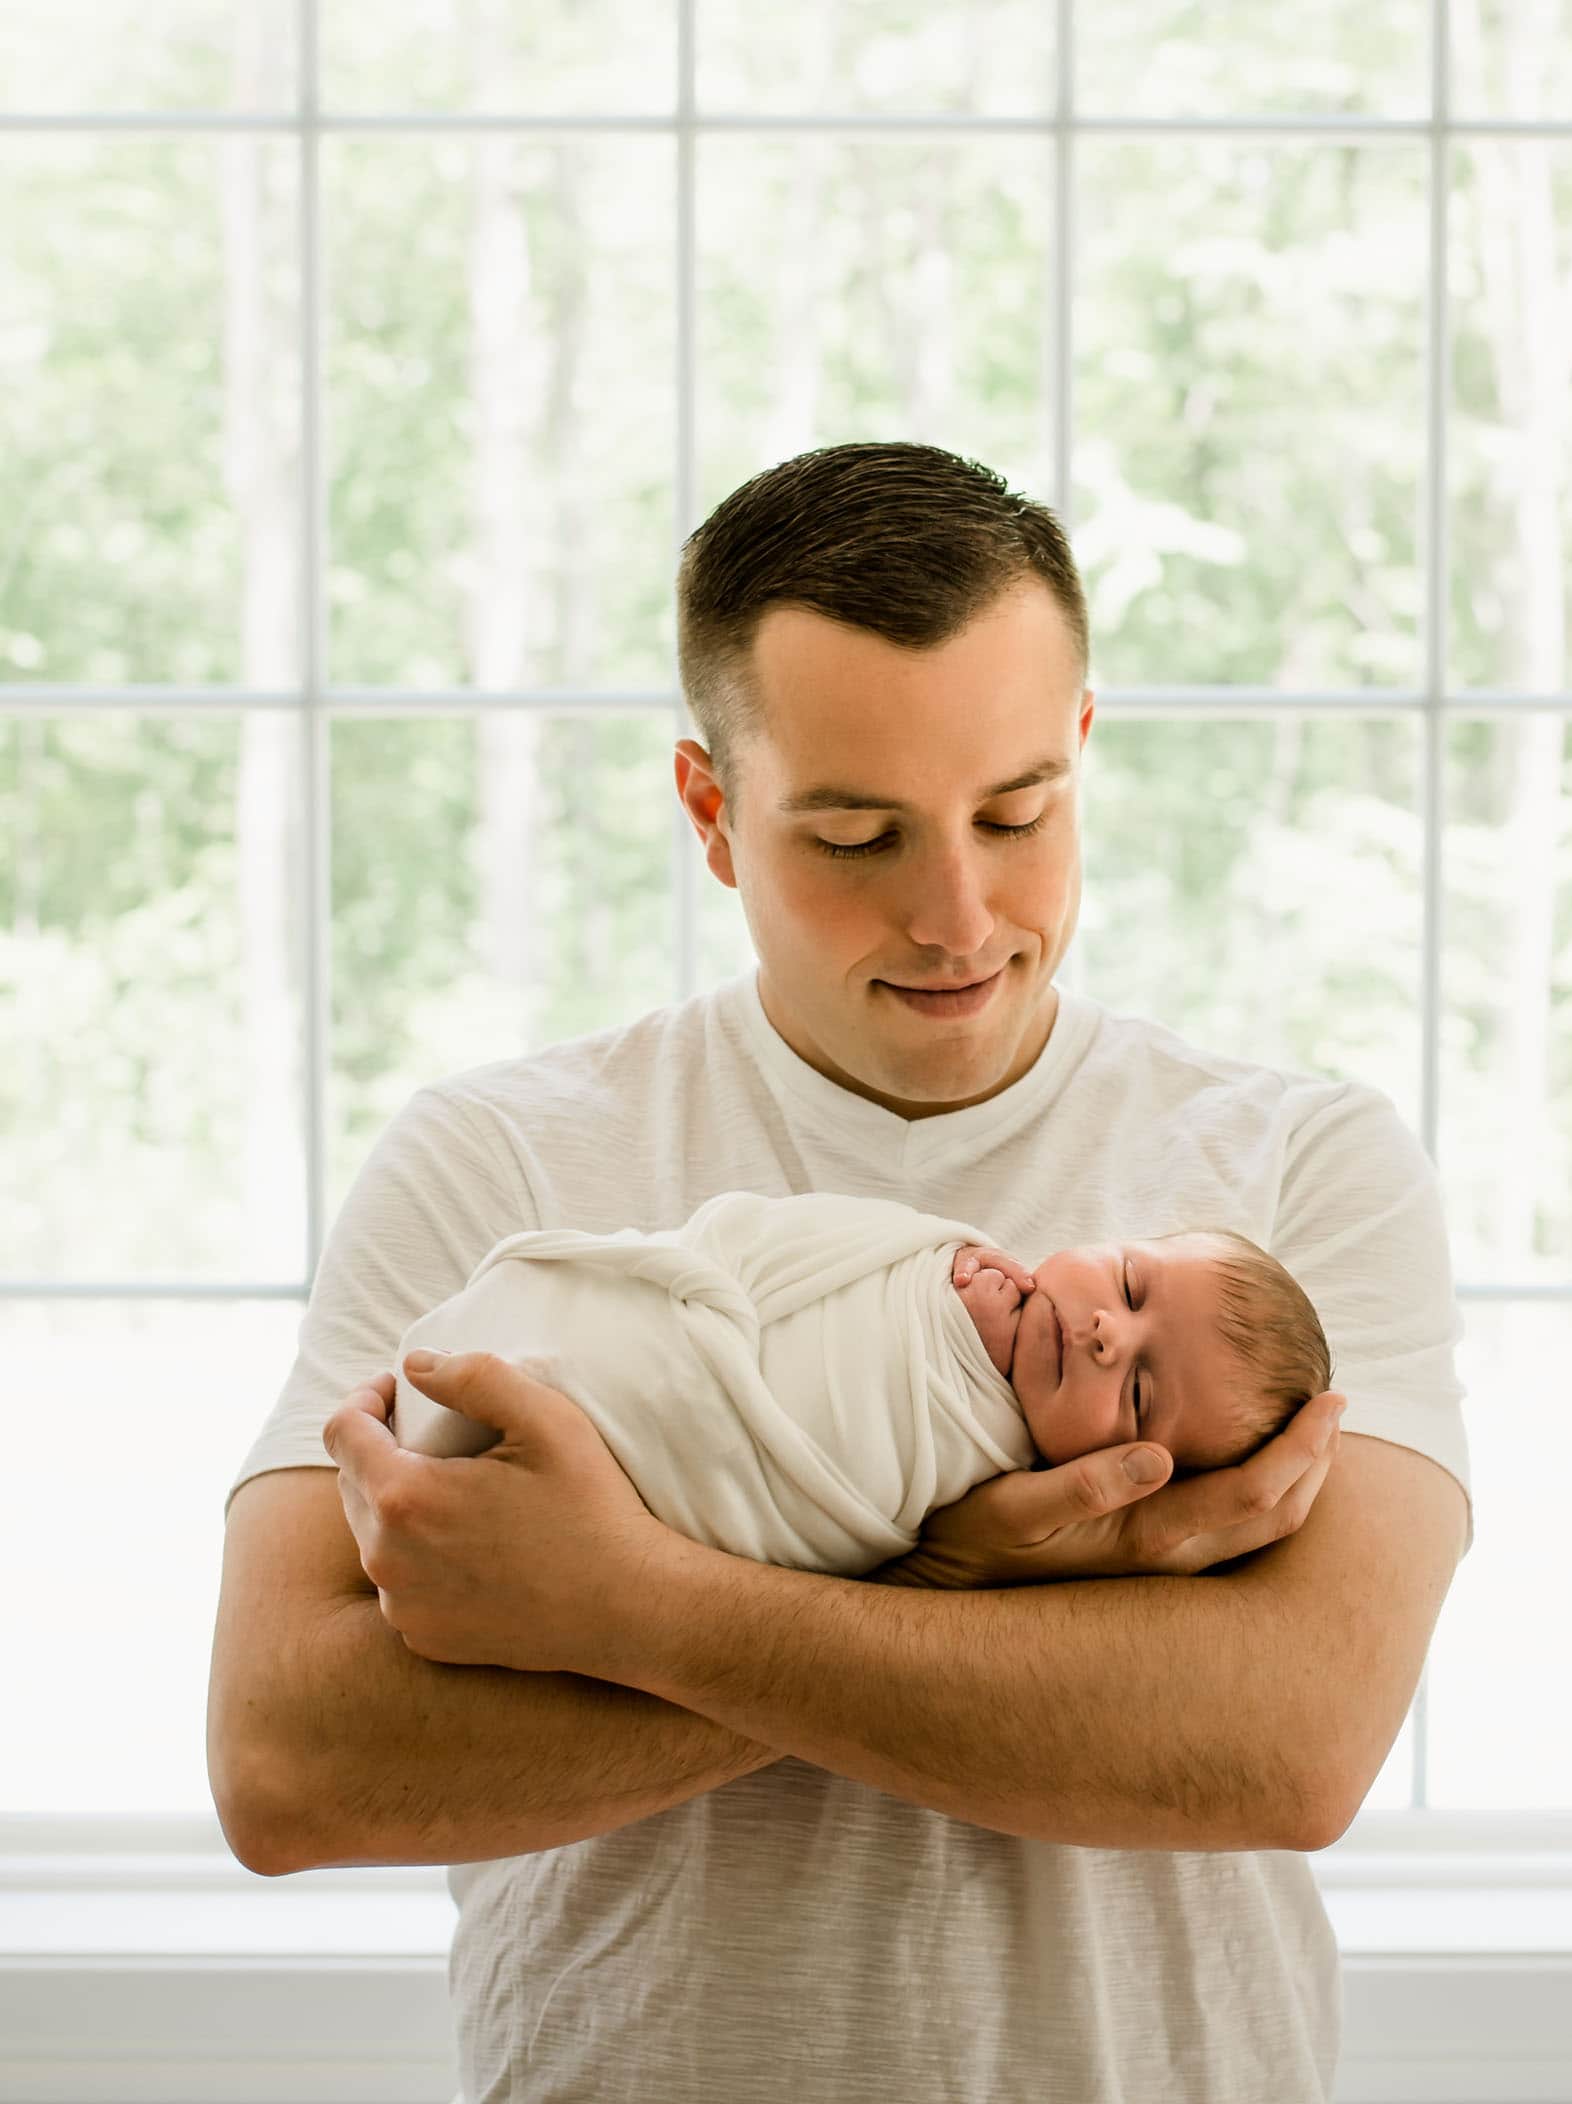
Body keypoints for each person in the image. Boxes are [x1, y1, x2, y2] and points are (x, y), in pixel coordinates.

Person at [209, 439, 1474, 2104]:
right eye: (858, 835)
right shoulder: (501, 1167)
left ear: (1080, 751)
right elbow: (291, 1763)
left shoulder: (1298, 1173)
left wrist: (627, 1601)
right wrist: (981, 1591)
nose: (957, 913)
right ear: (711, 812)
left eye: (1014, 813)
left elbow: (1283, 1746)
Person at [384, 1188, 1335, 1579]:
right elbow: (775, 1237)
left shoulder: (1004, 1489)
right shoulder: (955, 1260)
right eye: (1128, 1284)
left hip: (695, 1452)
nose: (1104, 1333)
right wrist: (943, 1279)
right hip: (659, 1321)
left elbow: (853, 1492)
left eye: (1138, 1394)